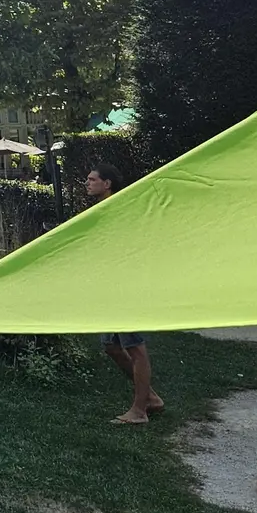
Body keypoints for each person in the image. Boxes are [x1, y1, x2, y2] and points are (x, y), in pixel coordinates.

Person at [87, 163, 163, 425]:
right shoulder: (100, 210)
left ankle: (139, 411)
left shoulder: (119, 209)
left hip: (126, 286)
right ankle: (151, 398)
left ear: (107, 184)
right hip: (110, 287)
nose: (87, 183)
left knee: (136, 347)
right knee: (111, 346)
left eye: (92, 179)